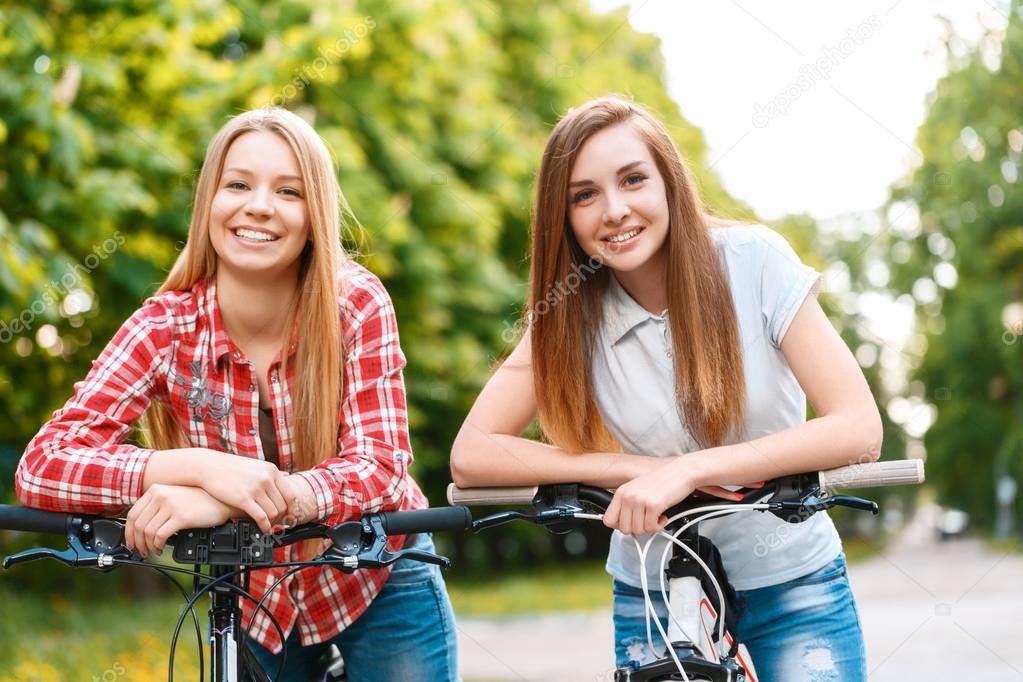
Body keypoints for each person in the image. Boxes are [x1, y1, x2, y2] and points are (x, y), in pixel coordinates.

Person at [16, 106, 459, 681]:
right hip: (253, 596)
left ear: (313, 215)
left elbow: (380, 468)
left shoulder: (356, 304)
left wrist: (230, 501)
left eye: (288, 191)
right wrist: (197, 468)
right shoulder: (166, 326)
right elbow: (43, 464)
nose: (259, 206)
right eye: (239, 184)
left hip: (375, 570)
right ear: (210, 202)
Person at [450, 95, 882, 681]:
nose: (615, 210)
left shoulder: (754, 261)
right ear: (564, 216)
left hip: (792, 576)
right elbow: (473, 455)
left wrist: (690, 470)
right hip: (655, 587)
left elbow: (858, 426)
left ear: (668, 183)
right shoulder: (569, 312)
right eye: (585, 194)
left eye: (633, 180)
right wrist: (630, 470)